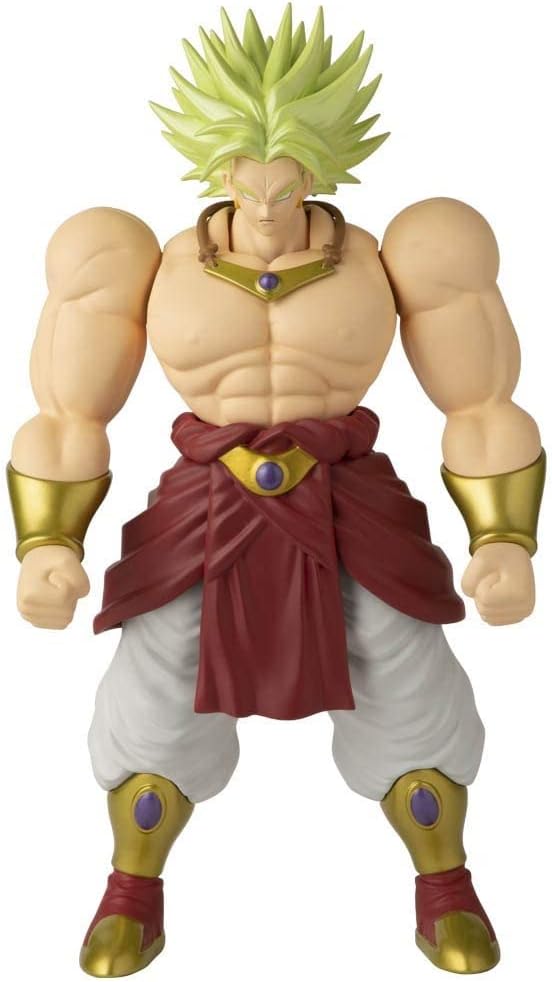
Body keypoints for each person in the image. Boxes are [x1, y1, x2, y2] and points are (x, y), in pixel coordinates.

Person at [7, 6, 545, 977]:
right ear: (212, 163)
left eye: (287, 180)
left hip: (347, 500)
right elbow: (66, 412)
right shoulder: (136, 262)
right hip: (204, 506)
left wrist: (504, 537)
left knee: (408, 676)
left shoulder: (396, 256)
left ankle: (444, 882)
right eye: (247, 178)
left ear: (322, 164)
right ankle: (132, 888)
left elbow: (482, 400)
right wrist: (49, 544)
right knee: (154, 687)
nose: (265, 204)